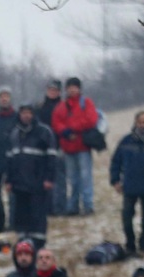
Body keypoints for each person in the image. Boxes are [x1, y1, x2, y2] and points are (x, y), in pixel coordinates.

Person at [1, 104, 57, 248]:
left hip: (38, 183)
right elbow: (9, 159)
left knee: (38, 215)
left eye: (28, 113)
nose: (26, 116)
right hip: (19, 185)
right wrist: (8, 180)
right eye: (23, 113)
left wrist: (49, 178)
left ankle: (38, 242)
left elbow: (51, 157)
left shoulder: (44, 132)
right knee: (21, 215)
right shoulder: (14, 134)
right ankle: (23, 242)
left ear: (33, 115)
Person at [110, 111, 144, 254]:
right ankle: (130, 245)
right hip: (129, 187)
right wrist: (115, 180)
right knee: (127, 218)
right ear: (135, 123)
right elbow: (115, 162)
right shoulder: (126, 141)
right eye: (140, 122)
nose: (142, 125)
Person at [51, 77, 99, 216]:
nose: (72, 89)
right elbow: (56, 122)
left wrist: (71, 128)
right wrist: (64, 131)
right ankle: (73, 206)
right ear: (66, 89)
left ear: (79, 89)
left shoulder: (86, 103)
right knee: (72, 179)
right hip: (68, 148)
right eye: (70, 87)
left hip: (83, 147)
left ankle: (88, 205)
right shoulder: (61, 106)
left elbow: (91, 120)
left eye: (75, 87)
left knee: (85, 177)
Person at [39, 79, 69, 215]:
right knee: (44, 179)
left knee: (59, 179)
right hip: (43, 148)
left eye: (55, 90)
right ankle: (47, 207)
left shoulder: (64, 106)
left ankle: (60, 207)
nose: (52, 92)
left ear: (59, 92)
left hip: (59, 147)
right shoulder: (39, 107)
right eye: (50, 89)